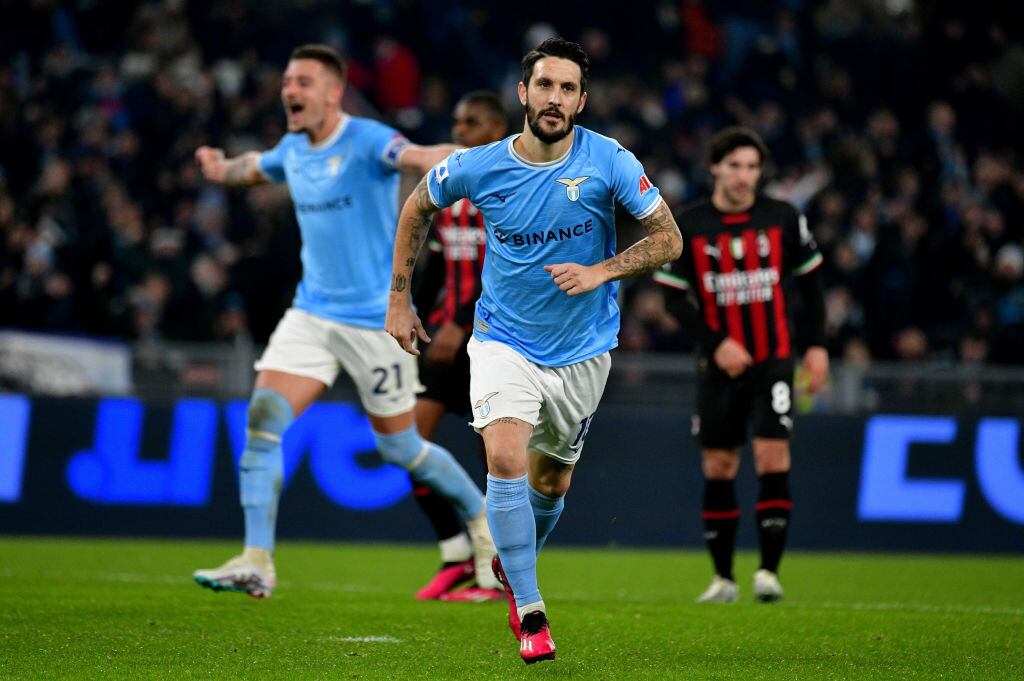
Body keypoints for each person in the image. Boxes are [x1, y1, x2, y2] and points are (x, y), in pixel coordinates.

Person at [385, 38, 682, 664]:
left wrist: (601, 271)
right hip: (502, 340)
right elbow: (417, 207)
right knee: (504, 455)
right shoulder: (479, 165)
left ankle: (513, 560)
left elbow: (669, 239)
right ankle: (530, 609)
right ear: (524, 92)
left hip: (583, 350)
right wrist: (399, 300)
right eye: (545, 85)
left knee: (553, 479)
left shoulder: (609, 159)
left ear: (581, 100)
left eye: (568, 88)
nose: (555, 98)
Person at [191, 44, 496, 599]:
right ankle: (257, 560)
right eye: (288, 81)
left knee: (401, 449)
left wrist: (487, 158)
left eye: (303, 82)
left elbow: (420, 156)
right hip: (311, 313)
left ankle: (480, 522)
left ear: (333, 93)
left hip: (373, 321)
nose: (290, 90)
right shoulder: (293, 148)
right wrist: (219, 169)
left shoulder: (367, 139)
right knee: (262, 421)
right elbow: (252, 168)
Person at [652, 126, 828, 604]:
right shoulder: (689, 225)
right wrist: (718, 344)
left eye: (752, 167)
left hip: (774, 360)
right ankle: (723, 579)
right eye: (735, 165)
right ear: (715, 167)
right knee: (719, 463)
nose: (744, 176)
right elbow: (673, 300)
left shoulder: (783, 217)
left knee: (773, 456)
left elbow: (812, 287)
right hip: (718, 366)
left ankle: (768, 573)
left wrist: (817, 347)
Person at [408, 91, 508, 602]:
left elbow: (509, 271)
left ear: (495, 129)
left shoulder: (510, 187)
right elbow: (437, 265)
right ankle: (456, 552)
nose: (459, 130)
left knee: (496, 459)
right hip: (445, 340)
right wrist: (414, 317)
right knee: (410, 445)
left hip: (493, 339)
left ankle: (497, 573)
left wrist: (462, 323)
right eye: (456, 121)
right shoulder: (449, 187)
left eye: (470, 122)